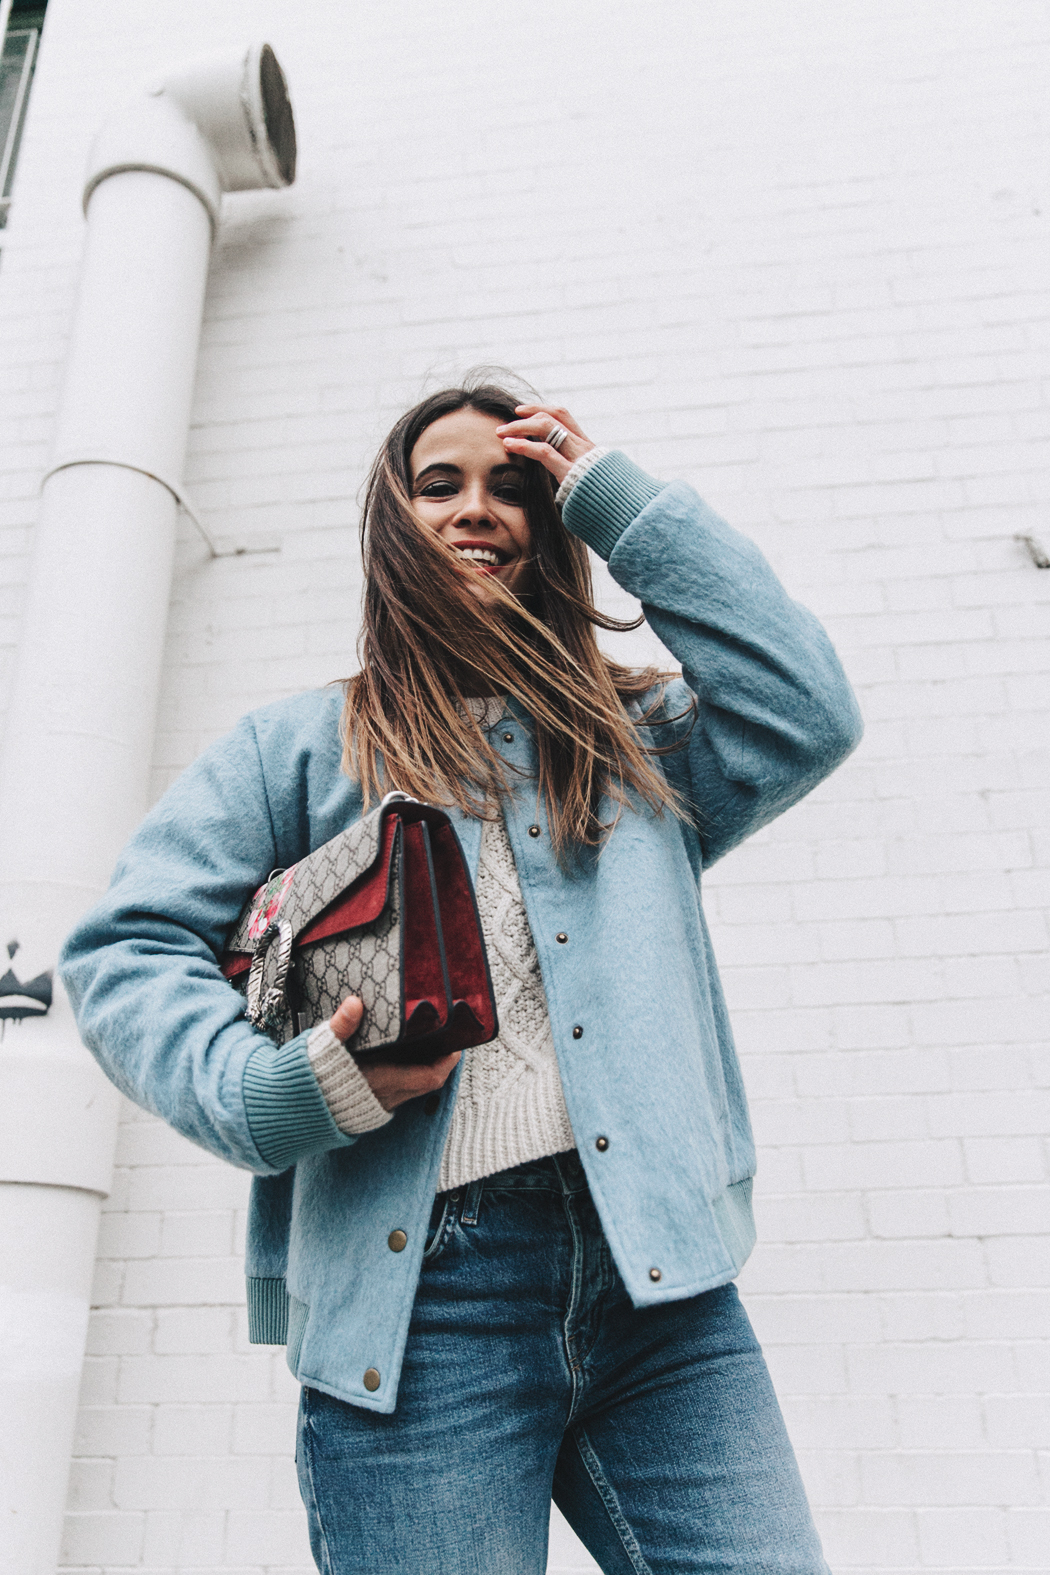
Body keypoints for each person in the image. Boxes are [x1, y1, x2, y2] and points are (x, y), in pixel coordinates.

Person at [62, 377, 863, 1574]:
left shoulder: (635, 745)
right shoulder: (297, 749)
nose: (478, 508)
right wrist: (287, 1089)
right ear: (395, 521)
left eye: (516, 488)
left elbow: (806, 708)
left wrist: (611, 494)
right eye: (441, 484)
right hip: (424, 1306)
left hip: (667, 1298)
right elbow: (124, 953)